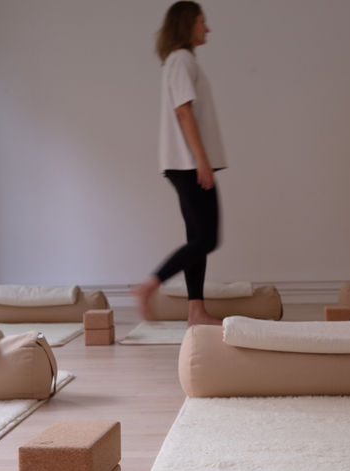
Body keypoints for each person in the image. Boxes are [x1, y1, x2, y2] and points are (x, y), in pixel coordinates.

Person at [132, 1, 226, 326]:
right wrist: (202, 161)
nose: (207, 28)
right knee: (207, 239)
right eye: (202, 22)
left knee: (197, 238)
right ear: (187, 24)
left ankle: (196, 311)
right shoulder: (182, 59)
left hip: (183, 163)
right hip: (188, 163)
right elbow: (184, 112)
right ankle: (149, 285)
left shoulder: (178, 61)